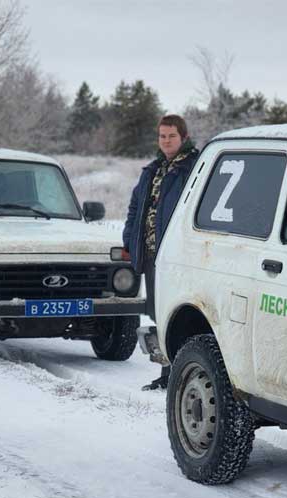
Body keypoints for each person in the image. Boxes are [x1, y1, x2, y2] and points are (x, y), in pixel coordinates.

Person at [123, 115, 199, 391]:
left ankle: (181, 374)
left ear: (184, 137)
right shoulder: (152, 170)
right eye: (162, 136)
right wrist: (129, 238)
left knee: (179, 316)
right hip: (152, 255)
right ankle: (167, 373)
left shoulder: (193, 168)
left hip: (178, 257)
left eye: (172, 136)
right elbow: (135, 206)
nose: (166, 141)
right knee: (159, 314)